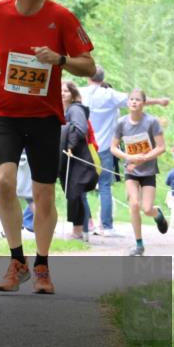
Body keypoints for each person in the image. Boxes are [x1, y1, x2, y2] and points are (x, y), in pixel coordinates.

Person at [0, 0, 95, 294]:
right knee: (4, 182)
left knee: (44, 194)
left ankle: (42, 265)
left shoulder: (63, 17)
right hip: (4, 113)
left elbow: (88, 65)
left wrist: (59, 58)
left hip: (44, 116)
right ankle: (17, 260)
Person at [81, 66, 169, 236]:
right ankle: (106, 227)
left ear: (88, 78)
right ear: (103, 78)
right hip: (106, 147)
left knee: (81, 186)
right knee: (105, 186)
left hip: (87, 147)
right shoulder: (110, 95)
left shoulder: (81, 92)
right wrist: (159, 101)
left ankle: (85, 226)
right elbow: (137, 99)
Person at [111, 89, 169, 256]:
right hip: (131, 171)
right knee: (134, 204)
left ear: (143, 103)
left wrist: (143, 158)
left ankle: (157, 214)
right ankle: (139, 245)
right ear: (128, 103)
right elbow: (113, 148)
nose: (134, 102)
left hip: (148, 171)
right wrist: (129, 157)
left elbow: (161, 147)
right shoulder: (121, 123)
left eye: (138, 100)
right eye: (131, 99)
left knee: (147, 208)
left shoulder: (152, 122)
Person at [58, 81, 98, 241]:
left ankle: (78, 231)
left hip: (78, 157)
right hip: (68, 159)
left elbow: (80, 128)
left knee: (75, 193)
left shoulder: (75, 109)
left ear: (73, 94)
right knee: (73, 193)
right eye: (60, 90)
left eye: (66, 91)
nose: (62, 93)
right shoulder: (62, 109)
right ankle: (80, 230)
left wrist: (70, 146)